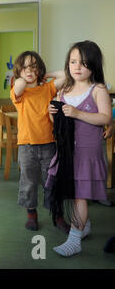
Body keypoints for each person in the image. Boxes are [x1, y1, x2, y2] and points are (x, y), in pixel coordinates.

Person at [46, 40, 111, 257]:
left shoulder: (98, 89)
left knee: (80, 195)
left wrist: (77, 113)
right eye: (73, 62)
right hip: (67, 152)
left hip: (87, 153)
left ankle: (74, 239)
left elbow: (105, 117)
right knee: (73, 193)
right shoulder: (64, 89)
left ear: (93, 66)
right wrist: (51, 114)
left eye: (83, 63)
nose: (77, 67)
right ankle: (84, 225)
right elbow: (58, 123)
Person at [10, 51, 68, 233]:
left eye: (33, 66)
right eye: (25, 67)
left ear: (39, 69)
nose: (29, 70)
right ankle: (31, 213)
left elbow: (65, 75)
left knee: (52, 180)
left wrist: (43, 74)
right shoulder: (20, 94)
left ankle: (57, 214)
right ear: (19, 71)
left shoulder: (47, 89)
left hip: (48, 144)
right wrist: (22, 75)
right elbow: (18, 85)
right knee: (29, 182)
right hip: (27, 146)